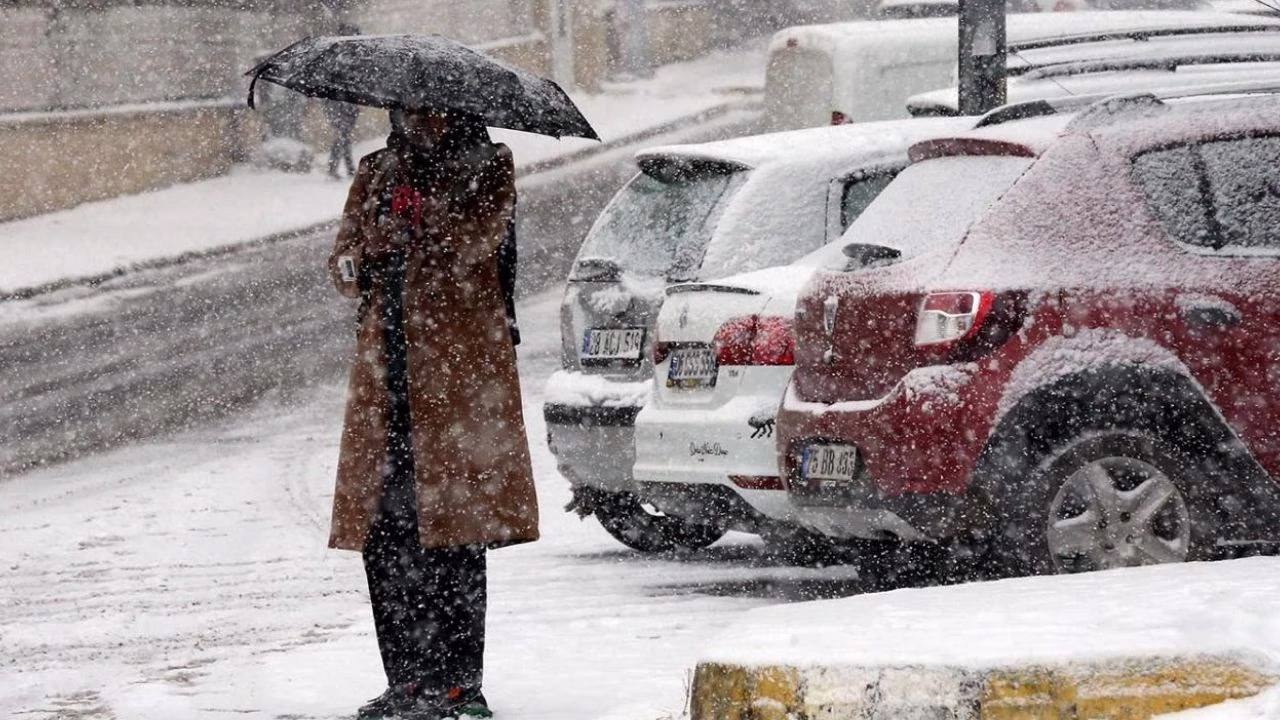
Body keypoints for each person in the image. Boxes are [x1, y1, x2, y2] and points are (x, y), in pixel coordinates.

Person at [326, 107, 540, 720]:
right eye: (409, 109)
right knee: (386, 537)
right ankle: (405, 682)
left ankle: (456, 684)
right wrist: (368, 250)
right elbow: (342, 264)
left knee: (453, 537)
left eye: (432, 110)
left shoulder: (486, 167)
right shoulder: (375, 170)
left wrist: (420, 223)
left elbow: (477, 243)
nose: (420, 120)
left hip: (457, 382)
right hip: (386, 382)